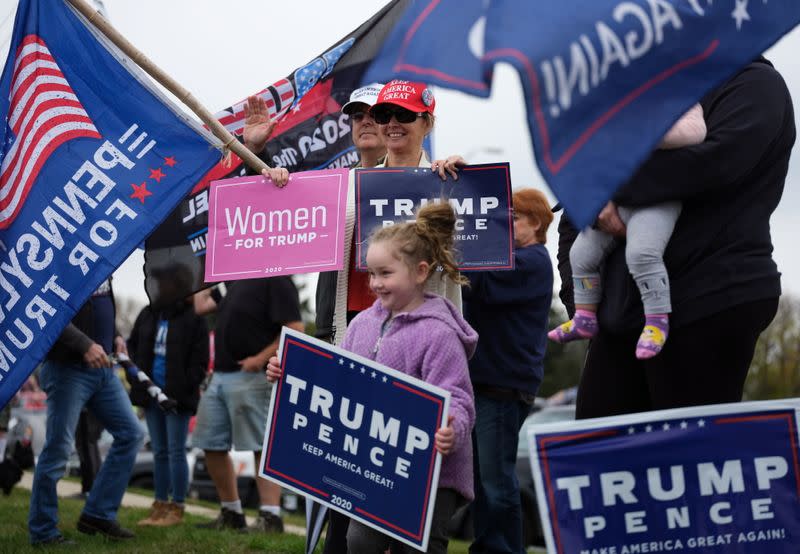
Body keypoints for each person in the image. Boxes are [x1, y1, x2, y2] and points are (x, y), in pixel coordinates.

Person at [558, 57, 795, 418]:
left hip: (709, 301)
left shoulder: (753, 83)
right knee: (599, 454)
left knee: (690, 456)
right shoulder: (641, 91)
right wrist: (582, 307)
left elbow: (714, 164)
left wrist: (609, 187)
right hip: (619, 320)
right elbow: (575, 213)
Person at [268, 201, 477, 554]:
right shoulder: (362, 324)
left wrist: (451, 429)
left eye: (386, 273)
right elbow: (337, 382)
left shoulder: (439, 334)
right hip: (373, 467)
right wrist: (289, 374)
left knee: (420, 548)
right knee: (360, 542)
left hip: (433, 475)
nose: (376, 283)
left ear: (421, 271)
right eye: (372, 274)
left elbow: (459, 398)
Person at [548, 105, 706, 359]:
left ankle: (656, 321)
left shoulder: (680, 94)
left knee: (642, 253)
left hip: (657, 199)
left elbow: (695, 132)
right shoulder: (623, 99)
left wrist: (644, 130)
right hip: (617, 199)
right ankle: (585, 316)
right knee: (580, 254)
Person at [463, 188, 554, 554]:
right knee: (483, 481)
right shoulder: (515, 258)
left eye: (512, 218)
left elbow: (479, 284)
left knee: (496, 482)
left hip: (502, 386)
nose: (503, 225)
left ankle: (500, 549)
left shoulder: (532, 261)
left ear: (536, 222)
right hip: (487, 382)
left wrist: (467, 234)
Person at [28, 278, 144, 546]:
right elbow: (48, 309)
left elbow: (102, 304)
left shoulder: (102, 250)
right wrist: (84, 345)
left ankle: (98, 514)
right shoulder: (60, 254)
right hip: (67, 368)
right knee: (58, 449)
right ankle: (43, 532)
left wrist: (114, 335)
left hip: (103, 369)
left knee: (131, 434)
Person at [192, 277, 303, 532]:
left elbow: (295, 328)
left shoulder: (277, 279)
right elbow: (201, 304)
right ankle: (231, 513)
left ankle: (270, 517)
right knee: (210, 443)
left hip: (254, 375)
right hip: (219, 375)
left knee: (261, 446)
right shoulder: (233, 279)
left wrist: (260, 358)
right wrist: (205, 270)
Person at [127, 291, 209, 527]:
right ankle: (160, 505)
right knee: (160, 451)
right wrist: (138, 380)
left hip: (177, 399)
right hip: (152, 396)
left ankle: (177, 507)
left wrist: (184, 388)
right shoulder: (148, 313)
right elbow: (132, 346)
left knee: (175, 451)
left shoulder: (194, 318)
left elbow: (200, 360)